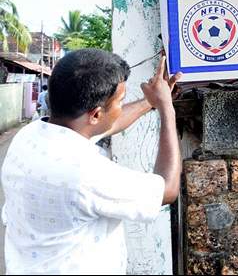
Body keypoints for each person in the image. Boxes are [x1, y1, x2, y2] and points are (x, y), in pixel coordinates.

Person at [1, 49, 181, 274]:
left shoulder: (29, 136)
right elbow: (168, 188)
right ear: (95, 114)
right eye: (120, 101)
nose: (119, 107)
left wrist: (150, 102)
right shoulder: (87, 174)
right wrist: (167, 109)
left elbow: (107, 125)